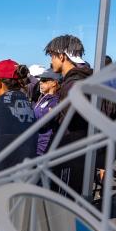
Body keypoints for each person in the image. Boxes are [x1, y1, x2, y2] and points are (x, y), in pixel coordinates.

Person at [44, 34, 92, 195]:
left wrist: (55, 114)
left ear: (62, 56)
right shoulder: (83, 80)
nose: (51, 61)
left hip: (69, 154)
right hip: (77, 152)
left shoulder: (73, 84)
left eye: (52, 56)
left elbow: (72, 117)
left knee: (62, 207)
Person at [33, 68, 61, 156]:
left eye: (44, 80)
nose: (40, 82)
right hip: (36, 145)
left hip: (44, 148)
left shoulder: (55, 100)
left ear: (54, 83)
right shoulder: (43, 97)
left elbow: (43, 120)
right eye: (40, 80)